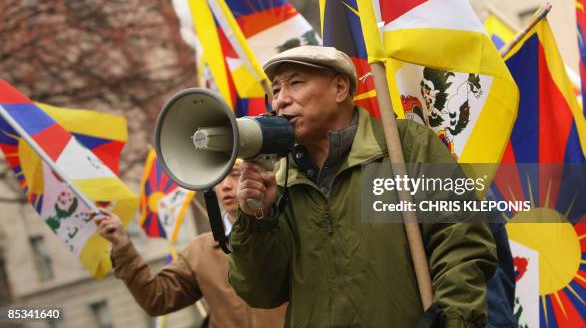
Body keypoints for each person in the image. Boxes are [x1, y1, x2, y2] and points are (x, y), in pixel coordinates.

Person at [229, 45, 498, 327]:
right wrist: (257, 218)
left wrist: (452, 322)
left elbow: (461, 243)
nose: (280, 102)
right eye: (275, 91)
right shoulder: (279, 181)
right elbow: (260, 292)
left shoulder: (403, 147)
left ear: (340, 88)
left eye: (295, 83)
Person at [92, 160, 286, 328]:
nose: (225, 185)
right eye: (219, 178)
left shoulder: (287, 232)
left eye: (235, 175)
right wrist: (121, 244)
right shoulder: (199, 251)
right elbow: (156, 298)